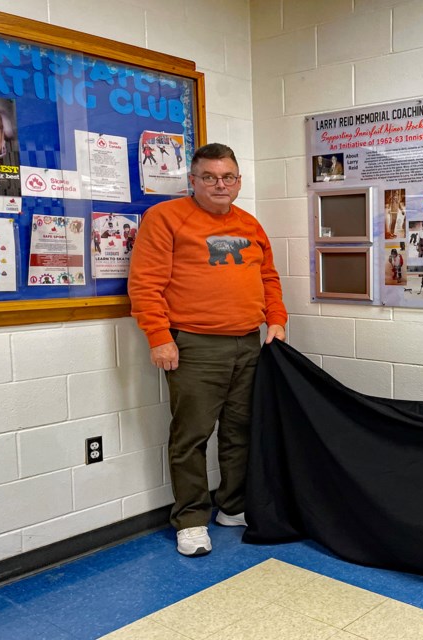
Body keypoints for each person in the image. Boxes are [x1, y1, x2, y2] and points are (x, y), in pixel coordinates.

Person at [129, 143, 287, 557]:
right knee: (192, 436)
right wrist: (159, 336)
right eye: (210, 177)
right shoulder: (165, 218)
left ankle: (232, 507)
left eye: (228, 177)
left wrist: (277, 319)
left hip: (248, 342)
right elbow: (145, 284)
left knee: (239, 431)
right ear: (193, 181)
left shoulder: (249, 224)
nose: (220, 184)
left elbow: (268, 278)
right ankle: (192, 520)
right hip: (194, 345)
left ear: (238, 181)